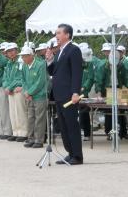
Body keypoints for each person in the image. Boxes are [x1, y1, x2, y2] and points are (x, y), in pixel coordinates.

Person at [45, 24, 83, 165]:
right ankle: (70, 152)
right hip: (59, 94)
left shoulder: (74, 50)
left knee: (72, 124)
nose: (57, 36)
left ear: (67, 35)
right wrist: (49, 60)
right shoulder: (60, 51)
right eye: (56, 33)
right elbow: (53, 71)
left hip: (69, 94)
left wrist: (75, 92)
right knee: (63, 125)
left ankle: (77, 155)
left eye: (59, 33)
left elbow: (77, 73)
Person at [20, 46, 48, 148]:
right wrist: (26, 92)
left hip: (40, 96)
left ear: (31, 56)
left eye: (25, 56)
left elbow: (40, 82)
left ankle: (39, 140)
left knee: (39, 118)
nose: (23, 58)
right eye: (22, 56)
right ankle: (31, 138)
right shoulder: (24, 66)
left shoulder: (41, 65)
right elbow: (23, 80)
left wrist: (30, 92)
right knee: (30, 117)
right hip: (29, 96)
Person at [2, 43, 28, 142]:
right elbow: (5, 78)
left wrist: (10, 87)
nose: (11, 53)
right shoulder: (8, 64)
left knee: (20, 111)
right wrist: (6, 87)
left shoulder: (20, 62)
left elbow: (20, 77)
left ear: (16, 50)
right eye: (8, 51)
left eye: (12, 50)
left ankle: (24, 132)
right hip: (11, 90)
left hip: (18, 89)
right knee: (12, 111)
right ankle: (15, 131)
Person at [79, 46, 95, 141]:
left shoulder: (90, 63)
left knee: (84, 112)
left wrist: (84, 87)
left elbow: (90, 77)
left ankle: (86, 133)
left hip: (84, 92)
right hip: (73, 91)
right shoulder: (75, 62)